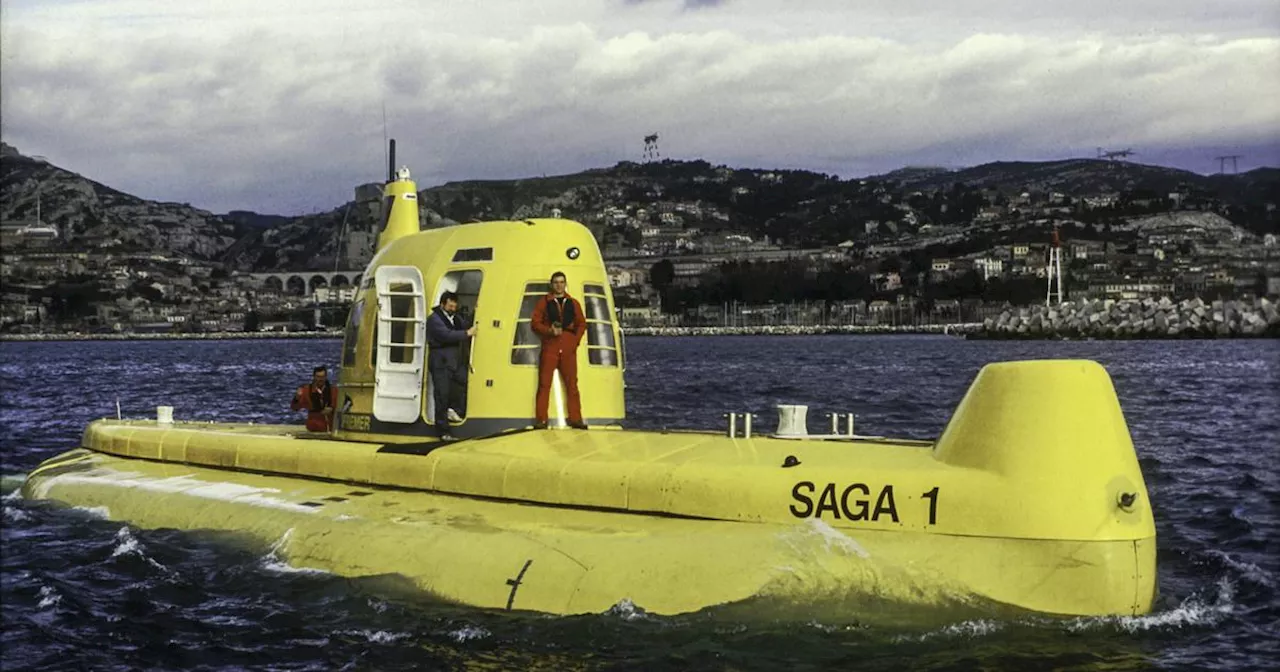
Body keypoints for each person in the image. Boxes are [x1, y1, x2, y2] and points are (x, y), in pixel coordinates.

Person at [531, 271, 587, 429]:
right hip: (550, 345)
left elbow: (582, 323)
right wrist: (549, 331)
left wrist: (575, 341)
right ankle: (541, 420)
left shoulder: (573, 303)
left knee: (572, 385)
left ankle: (576, 418)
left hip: (568, 345)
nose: (559, 285)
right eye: (556, 282)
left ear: (565, 283)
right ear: (552, 284)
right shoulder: (544, 302)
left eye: (562, 282)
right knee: (544, 384)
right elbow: (535, 323)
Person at [426, 290, 477, 440]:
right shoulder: (434, 319)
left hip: (453, 362)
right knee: (441, 395)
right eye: (450, 306)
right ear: (442, 304)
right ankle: (443, 431)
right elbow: (445, 335)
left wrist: (476, 311)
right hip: (440, 362)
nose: (453, 309)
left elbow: (467, 324)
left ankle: (454, 410)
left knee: (464, 383)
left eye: (454, 306)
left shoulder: (455, 318)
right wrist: (466, 334)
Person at [291, 365, 338, 432]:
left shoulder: (333, 390)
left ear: (326, 377)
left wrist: (332, 409)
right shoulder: (307, 390)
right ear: (314, 377)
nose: (320, 379)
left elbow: (340, 406)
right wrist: (296, 398)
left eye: (323, 377)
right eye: (318, 377)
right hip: (313, 428)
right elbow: (295, 408)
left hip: (329, 428)